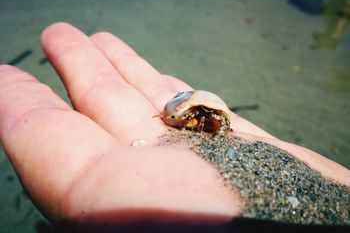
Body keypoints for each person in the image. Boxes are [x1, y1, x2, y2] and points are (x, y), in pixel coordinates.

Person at [0, 23, 349, 232]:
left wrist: (217, 123)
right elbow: (193, 116)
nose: (203, 122)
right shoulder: (190, 115)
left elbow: (215, 119)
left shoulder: (210, 119)